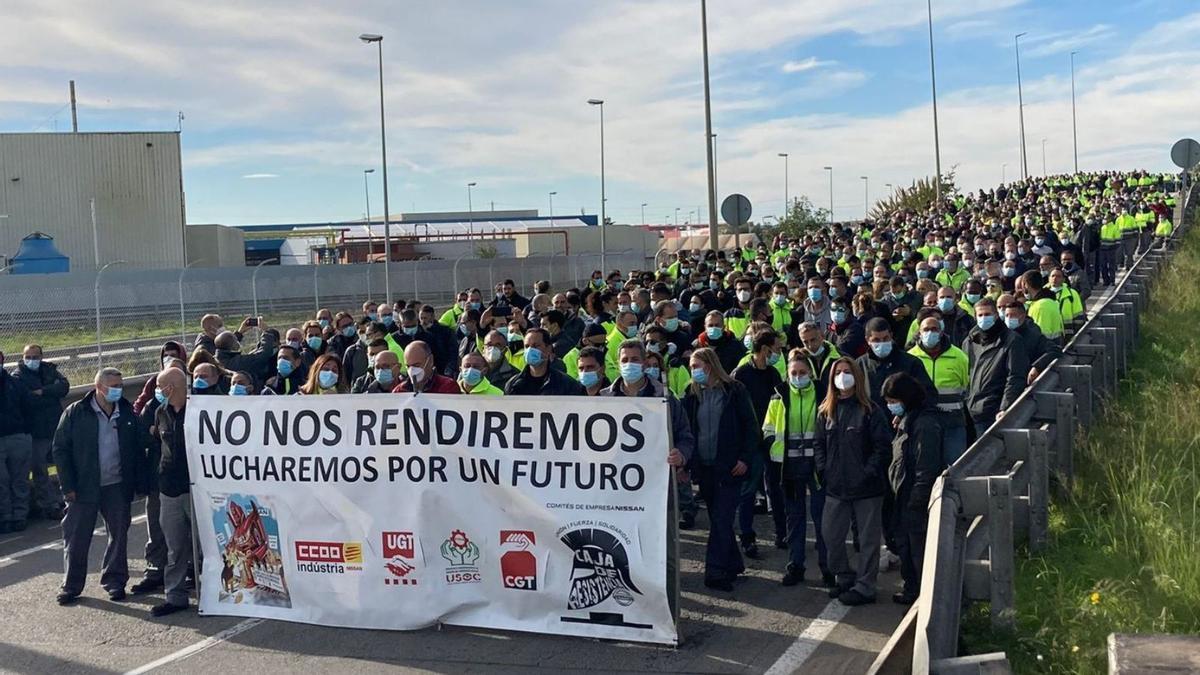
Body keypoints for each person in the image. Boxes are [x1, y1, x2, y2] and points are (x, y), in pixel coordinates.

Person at [52, 367, 147, 605]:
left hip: (117, 485)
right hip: (83, 486)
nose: (117, 390)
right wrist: (68, 486)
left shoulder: (126, 411)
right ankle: (71, 586)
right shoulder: (77, 412)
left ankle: (115, 582)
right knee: (76, 537)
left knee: (119, 535)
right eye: (112, 386)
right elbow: (60, 449)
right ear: (99, 387)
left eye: (120, 385)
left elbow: (138, 447)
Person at [681, 348, 759, 592]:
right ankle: (734, 563)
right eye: (691, 367)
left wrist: (745, 458)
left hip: (729, 467)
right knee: (719, 519)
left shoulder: (735, 391)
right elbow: (687, 429)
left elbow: (750, 426)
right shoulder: (691, 394)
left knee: (721, 519)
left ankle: (715, 572)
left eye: (697, 366)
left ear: (711, 365)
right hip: (704, 468)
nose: (694, 371)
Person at [815, 357, 892, 605]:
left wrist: (867, 471)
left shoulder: (870, 410)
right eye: (838, 372)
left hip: (867, 489)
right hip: (836, 487)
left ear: (857, 377)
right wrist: (823, 469)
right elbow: (818, 444)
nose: (843, 377)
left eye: (847, 372)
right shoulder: (825, 411)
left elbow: (882, 447)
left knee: (869, 540)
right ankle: (844, 576)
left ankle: (866, 586)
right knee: (831, 535)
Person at [762, 351, 832, 586]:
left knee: (823, 518)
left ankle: (828, 568)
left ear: (811, 373)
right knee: (795, 519)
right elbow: (768, 428)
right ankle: (795, 566)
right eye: (794, 373)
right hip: (789, 467)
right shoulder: (778, 397)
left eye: (802, 373)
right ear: (787, 374)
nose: (798, 377)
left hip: (817, 465)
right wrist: (773, 446)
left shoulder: (823, 394)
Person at [882, 372, 944, 605]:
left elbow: (925, 466)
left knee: (918, 551)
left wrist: (917, 500)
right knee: (906, 548)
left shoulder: (925, 424)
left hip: (913, 499)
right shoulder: (907, 421)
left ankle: (924, 598)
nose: (891, 407)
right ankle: (912, 589)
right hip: (902, 496)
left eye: (893, 402)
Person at [732, 327, 785, 557]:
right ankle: (747, 537)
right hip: (750, 442)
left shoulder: (773, 374)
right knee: (748, 491)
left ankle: (782, 533)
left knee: (776, 488)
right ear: (765, 349)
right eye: (776, 349)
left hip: (771, 441)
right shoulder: (741, 374)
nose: (779, 353)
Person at [146, 367, 195, 617]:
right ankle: (175, 596)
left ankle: (212, 593)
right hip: (169, 489)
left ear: (171, 388)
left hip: (195, 488)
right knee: (174, 546)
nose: (158, 391)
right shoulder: (161, 411)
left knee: (202, 545)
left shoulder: (199, 408)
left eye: (160, 386)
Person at [14, 344, 70, 520]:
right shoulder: (18, 376)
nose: (32, 360)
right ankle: (48, 504)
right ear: (23, 357)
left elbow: (64, 387)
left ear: (41, 357)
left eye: (35, 356)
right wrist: (50, 395)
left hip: (55, 426)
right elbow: (27, 400)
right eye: (28, 357)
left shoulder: (49, 370)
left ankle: (65, 497)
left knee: (63, 464)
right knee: (40, 469)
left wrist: (43, 391)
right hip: (35, 431)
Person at [908, 315, 971, 465]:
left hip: (953, 421)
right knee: (926, 466)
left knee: (955, 465)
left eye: (934, 329)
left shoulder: (959, 357)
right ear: (919, 332)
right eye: (926, 329)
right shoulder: (911, 358)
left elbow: (967, 385)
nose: (930, 333)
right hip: (923, 422)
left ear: (941, 332)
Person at [963, 298, 1030, 433]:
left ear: (996, 315)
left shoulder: (1011, 340)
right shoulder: (970, 341)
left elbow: (1015, 376)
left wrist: (1005, 407)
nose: (984, 318)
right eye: (980, 315)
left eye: (988, 314)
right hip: (969, 411)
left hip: (993, 411)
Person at [0, 351, 35, 533]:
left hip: (17, 437)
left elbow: (29, 407)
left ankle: (20, 516)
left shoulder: (15, 383)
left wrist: (25, 431)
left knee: (19, 479)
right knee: (2, 481)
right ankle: (5, 517)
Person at [504, 329, 585, 396]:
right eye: (527, 346)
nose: (530, 350)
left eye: (536, 346)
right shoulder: (513, 385)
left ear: (548, 349)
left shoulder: (567, 385)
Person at [394, 341, 459, 394]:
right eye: (408, 366)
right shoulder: (399, 391)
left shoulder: (447, 387)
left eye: (416, 365)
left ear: (430, 361)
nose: (412, 370)